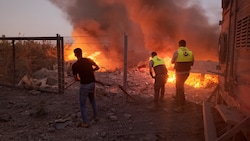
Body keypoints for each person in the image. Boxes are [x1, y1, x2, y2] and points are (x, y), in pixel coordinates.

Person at [72, 48, 100, 128]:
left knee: (82, 104)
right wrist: (92, 71)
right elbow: (97, 67)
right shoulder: (88, 60)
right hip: (92, 83)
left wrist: (80, 78)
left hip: (84, 85)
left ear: (75, 55)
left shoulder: (75, 65)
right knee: (93, 100)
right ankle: (96, 116)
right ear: (81, 53)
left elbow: (76, 79)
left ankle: (85, 122)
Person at [171, 40, 194, 112]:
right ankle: (177, 97)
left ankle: (181, 106)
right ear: (185, 45)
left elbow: (172, 61)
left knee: (180, 88)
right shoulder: (190, 52)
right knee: (179, 86)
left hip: (179, 73)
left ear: (179, 45)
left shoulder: (177, 52)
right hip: (187, 73)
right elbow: (192, 63)